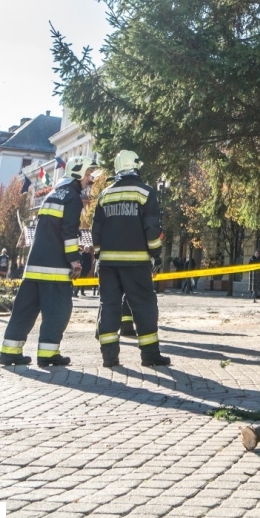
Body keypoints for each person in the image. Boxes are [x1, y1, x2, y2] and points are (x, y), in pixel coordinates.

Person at [0, 155, 97, 367]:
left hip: (33, 268)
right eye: (88, 174)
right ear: (78, 173)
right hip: (55, 269)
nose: (90, 179)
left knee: (24, 311)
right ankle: (48, 354)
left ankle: (10, 351)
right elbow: (69, 233)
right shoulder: (72, 197)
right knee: (58, 312)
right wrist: (75, 261)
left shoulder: (53, 194)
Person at [92, 149, 169, 368]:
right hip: (136, 263)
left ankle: (109, 357)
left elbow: (95, 230)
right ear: (135, 166)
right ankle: (150, 356)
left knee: (109, 306)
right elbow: (152, 228)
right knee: (144, 306)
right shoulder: (145, 192)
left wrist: (99, 255)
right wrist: (155, 255)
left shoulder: (105, 195)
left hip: (107, 264)